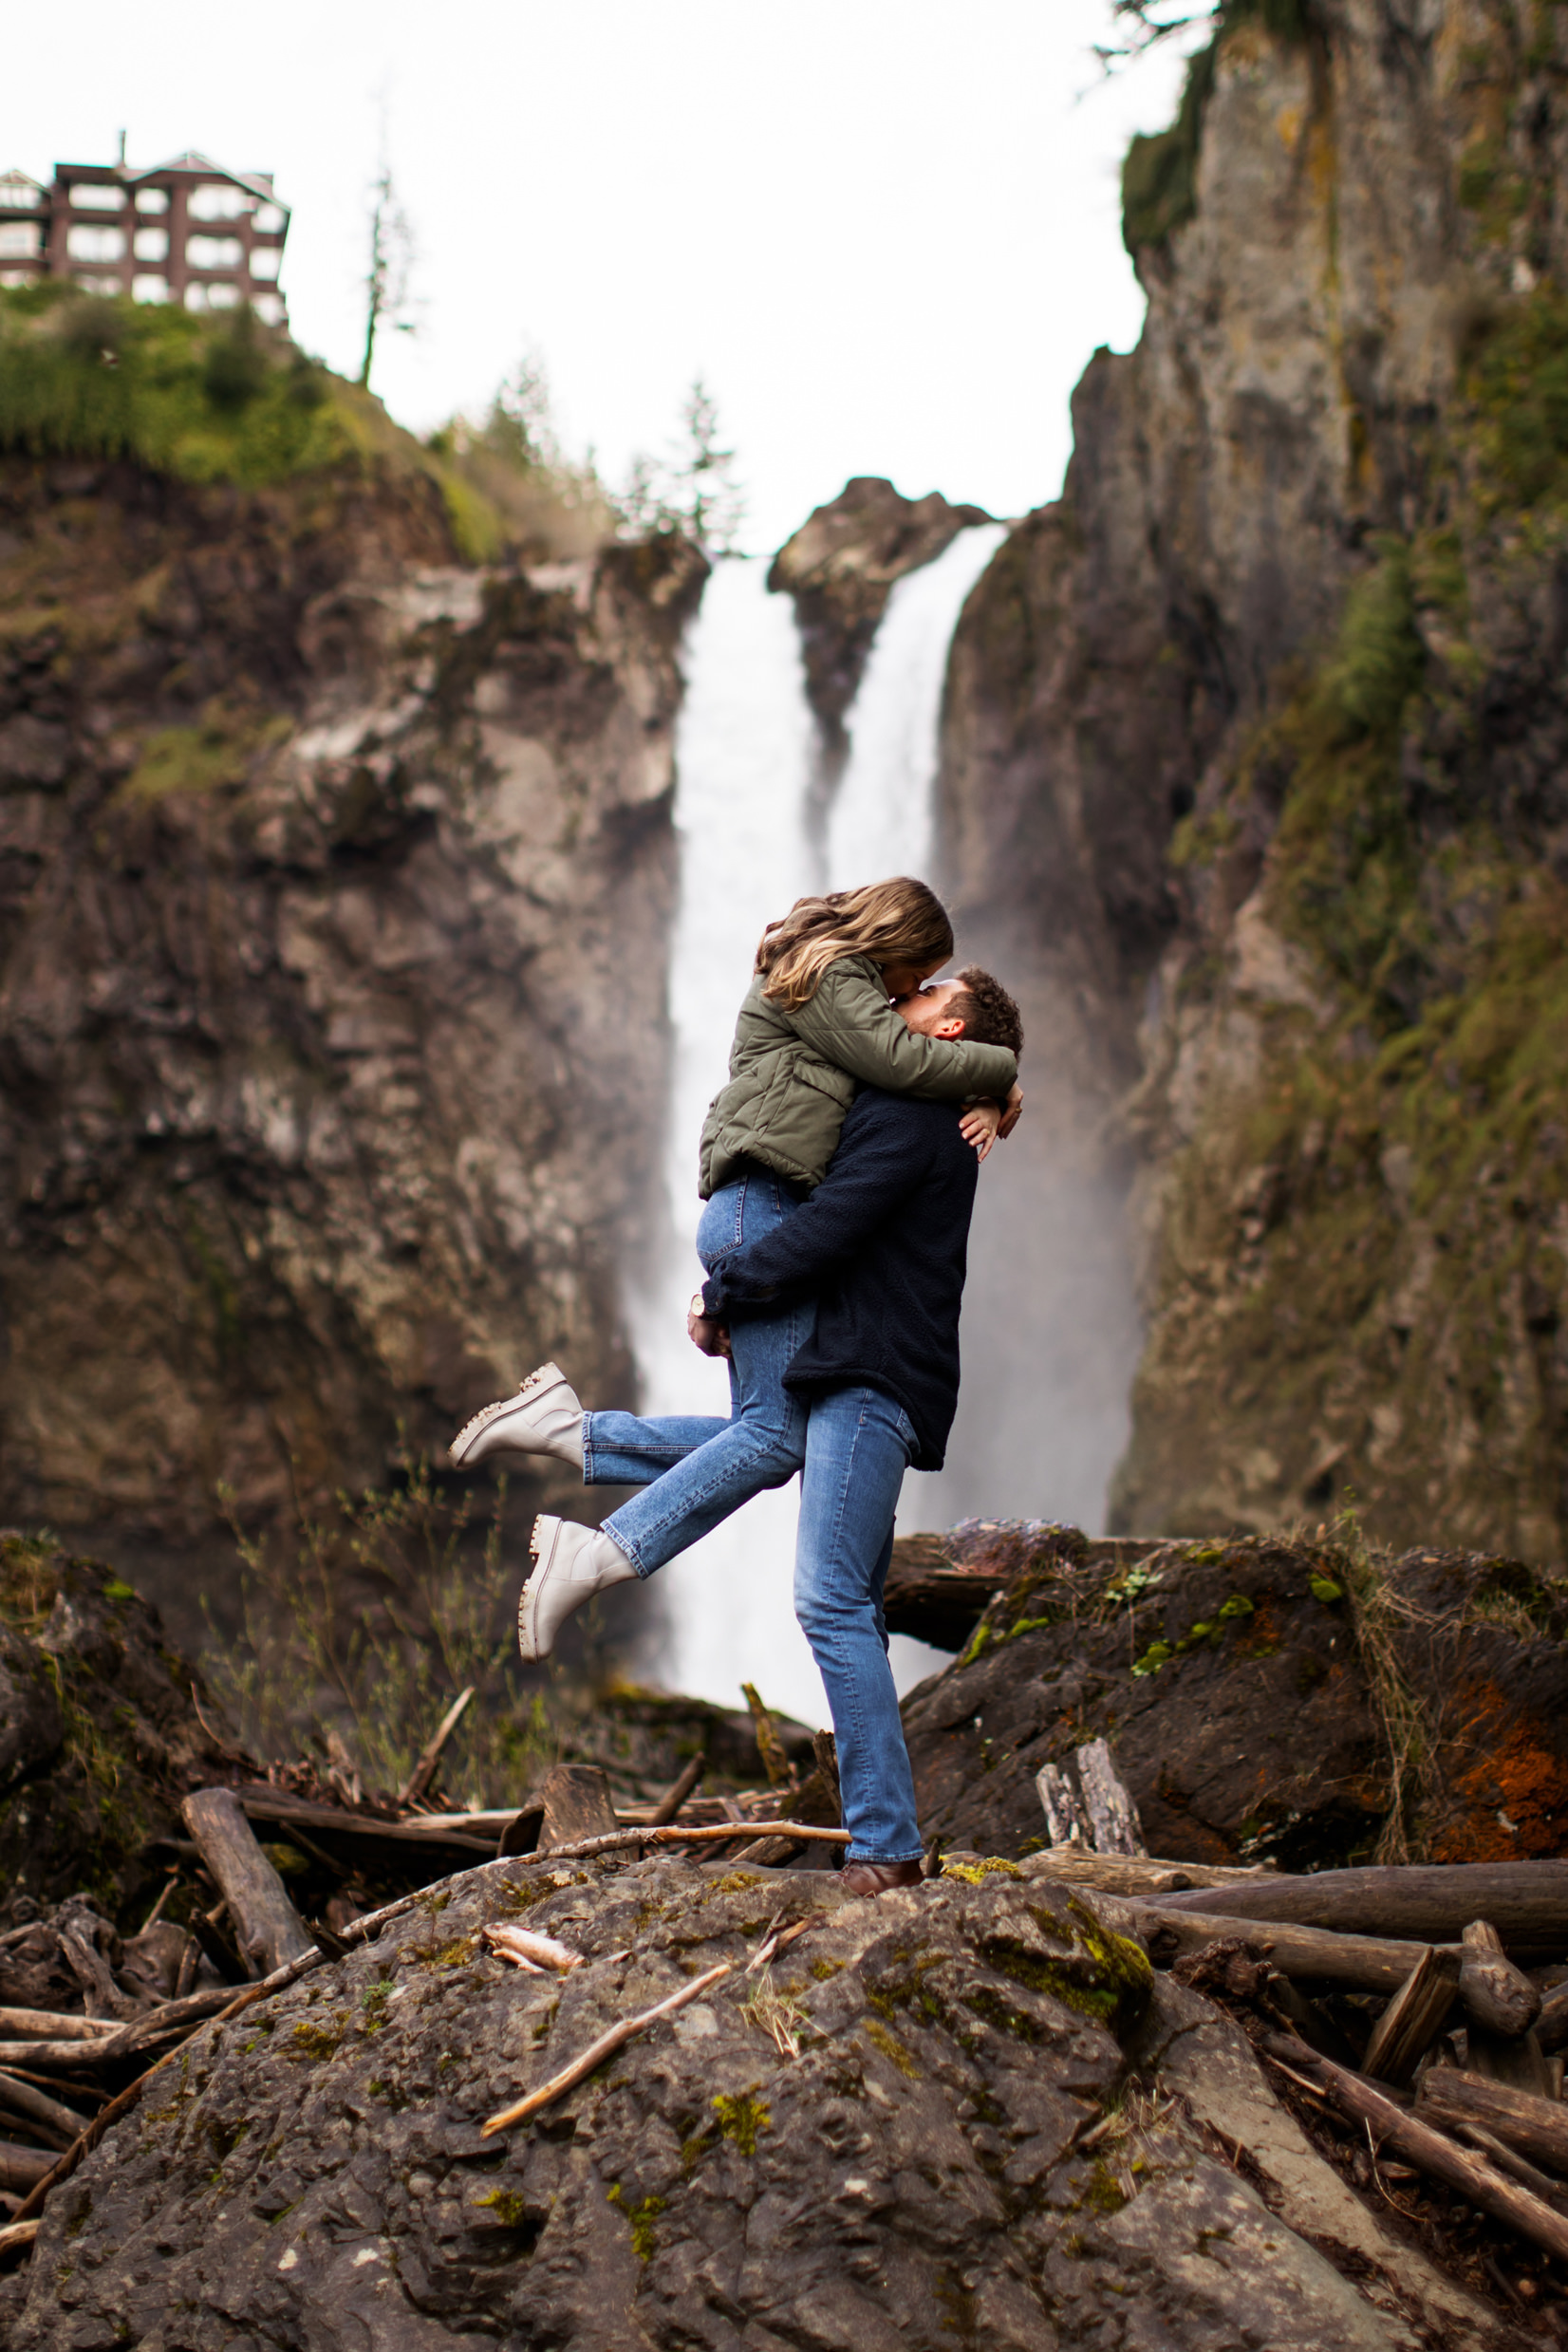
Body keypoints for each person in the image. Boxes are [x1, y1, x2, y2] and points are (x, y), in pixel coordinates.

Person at [451, 959, 1025, 1898]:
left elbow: (832, 1222)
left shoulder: (915, 1115)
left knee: (829, 1596)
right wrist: (1000, 1095)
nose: (900, 997)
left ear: (951, 1030)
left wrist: (724, 1293)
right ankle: (578, 1442)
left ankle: (884, 1847)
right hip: (856, 1369)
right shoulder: (917, 1101)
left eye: (924, 994)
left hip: (871, 1377)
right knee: (776, 1456)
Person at [449, 878, 1019, 1618]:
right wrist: (1001, 1074)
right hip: (764, 1205)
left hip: (763, 1206)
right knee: (776, 1438)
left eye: (926, 987)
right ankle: (597, 1548)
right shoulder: (831, 978)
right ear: (899, 942)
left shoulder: (838, 986)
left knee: (772, 1435)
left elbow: (910, 1070)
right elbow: (906, 1064)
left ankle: (573, 1435)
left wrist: (987, 1094)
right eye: (920, 973)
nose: (911, 990)